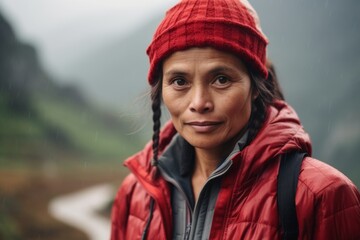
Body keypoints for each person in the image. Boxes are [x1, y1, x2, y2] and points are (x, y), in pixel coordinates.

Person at [110, 0, 360, 239]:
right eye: (179, 81)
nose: (199, 102)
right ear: (161, 89)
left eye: (221, 79)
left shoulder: (322, 196)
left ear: (255, 87)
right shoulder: (136, 193)